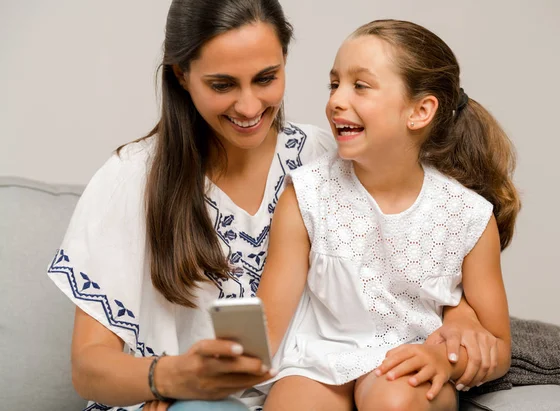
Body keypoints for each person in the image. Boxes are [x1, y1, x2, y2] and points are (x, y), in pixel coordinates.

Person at [46, 0, 501, 409]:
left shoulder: (331, 156)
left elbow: (412, 255)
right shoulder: (132, 178)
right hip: (192, 401)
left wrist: (459, 314)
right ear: (182, 76)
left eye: (266, 78)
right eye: (223, 84)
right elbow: (88, 369)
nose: (248, 106)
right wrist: (169, 378)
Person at [257, 19, 520, 411]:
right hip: (318, 361)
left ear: (420, 111)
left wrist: (443, 361)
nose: (336, 100)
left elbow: (496, 347)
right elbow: (267, 325)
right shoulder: (307, 195)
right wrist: (201, 377)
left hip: (408, 360)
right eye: (334, 84)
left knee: (394, 402)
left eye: (360, 86)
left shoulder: (468, 217)